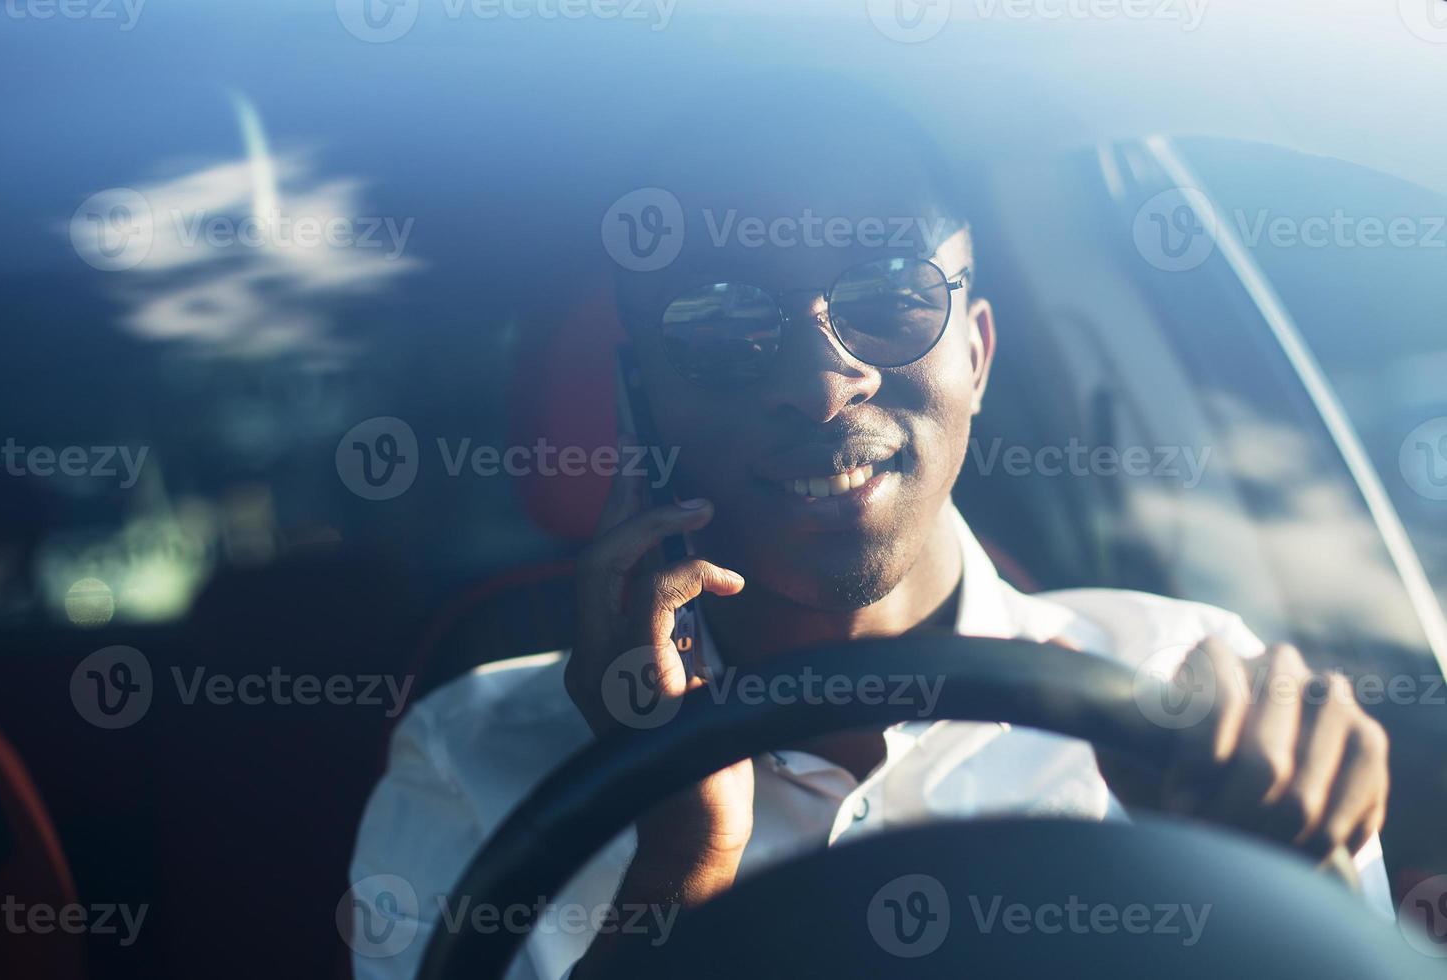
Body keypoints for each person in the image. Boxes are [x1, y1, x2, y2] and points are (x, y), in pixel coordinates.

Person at [349, 77, 1391, 980]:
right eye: (722, 328)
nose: (820, 382)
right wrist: (679, 859)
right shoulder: (474, 765)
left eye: (890, 299)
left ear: (976, 355)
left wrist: (1264, 881)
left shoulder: (1197, 707)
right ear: (638, 402)